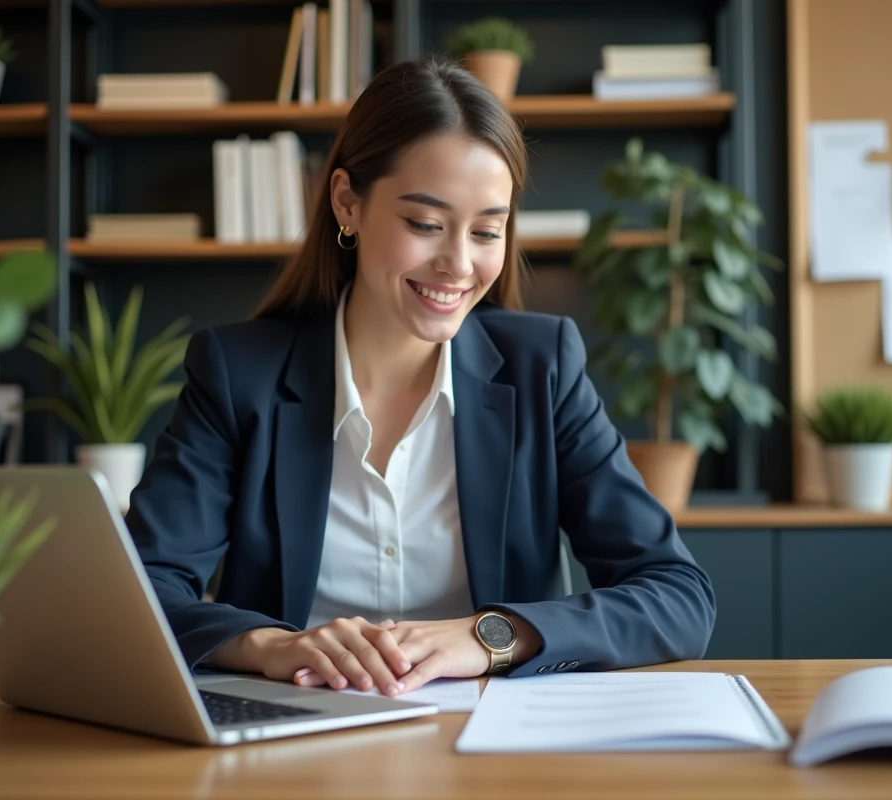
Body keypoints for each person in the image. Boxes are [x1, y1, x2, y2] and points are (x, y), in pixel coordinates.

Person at [127, 56, 715, 700]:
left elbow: (677, 595)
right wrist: (271, 645)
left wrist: (490, 636)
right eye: (425, 225)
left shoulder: (542, 366)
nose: (458, 264)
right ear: (347, 202)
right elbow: (141, 589)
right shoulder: (240, 374)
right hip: (294, 728)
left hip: (491, 731)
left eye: (486, 231)